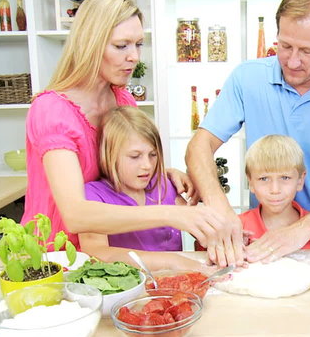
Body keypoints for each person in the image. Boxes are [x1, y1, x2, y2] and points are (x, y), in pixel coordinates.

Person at [186, 0, 310, 265]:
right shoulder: (247, 79)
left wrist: (304, 229)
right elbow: (199, 147)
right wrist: (219, 206)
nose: (292, 61)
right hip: (264, 249)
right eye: (285, 46)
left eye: (306, 50)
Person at [22, 0, 226, 253]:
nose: (134, 57)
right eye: (121, 46)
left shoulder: (122, 99)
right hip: (54, 256)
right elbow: (74, 214)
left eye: (138, 44)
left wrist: (163, 174)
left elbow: (117, 167)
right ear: (90, 44)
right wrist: (171, 214)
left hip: (103, 254)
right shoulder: (51, 110)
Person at [78, 106, 212, 272]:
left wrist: (222, 235)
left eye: (153, 155)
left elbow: (199, 226)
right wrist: (170, 261)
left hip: (173, 282)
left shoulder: (164, 185)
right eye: (135, 156)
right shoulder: (93, 195)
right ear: (108, 155)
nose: (147, 165)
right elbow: (96, 253)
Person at [196, 135, 310, 252]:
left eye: (285, 177)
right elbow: (208, 261)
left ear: (300, 180)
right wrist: (231, 249)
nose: (275, 189)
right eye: (264, 179)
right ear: (251, 183)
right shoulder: (237, 226)